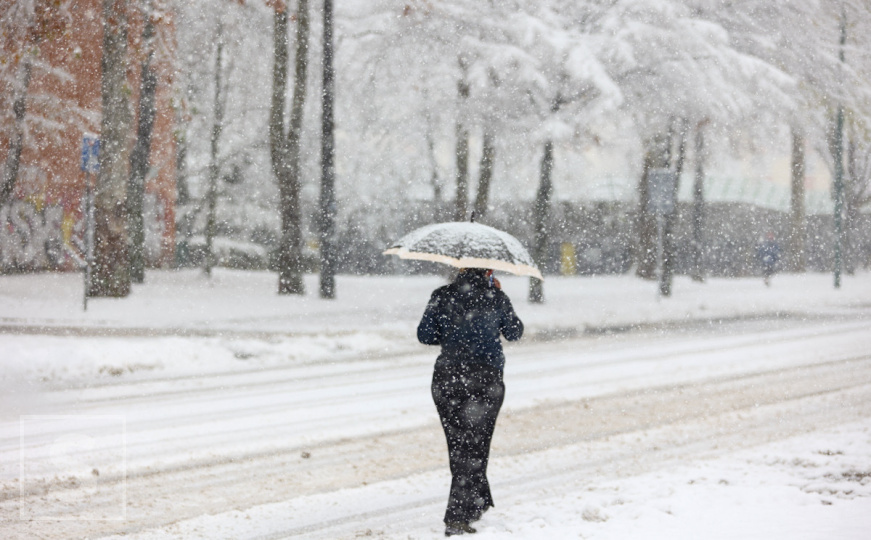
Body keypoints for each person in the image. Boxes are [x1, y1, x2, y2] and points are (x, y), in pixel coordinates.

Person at [417, 267, 524, 536]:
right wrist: (495, 298)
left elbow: (425, 335)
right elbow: (514, 332)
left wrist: (455, 330)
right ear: (488, 271)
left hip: (447, 379)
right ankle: (457, 517)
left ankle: (476, 502)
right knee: (476, 446)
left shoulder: (442, 295)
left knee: (459, 445)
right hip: (486, 378)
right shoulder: (496, 297)